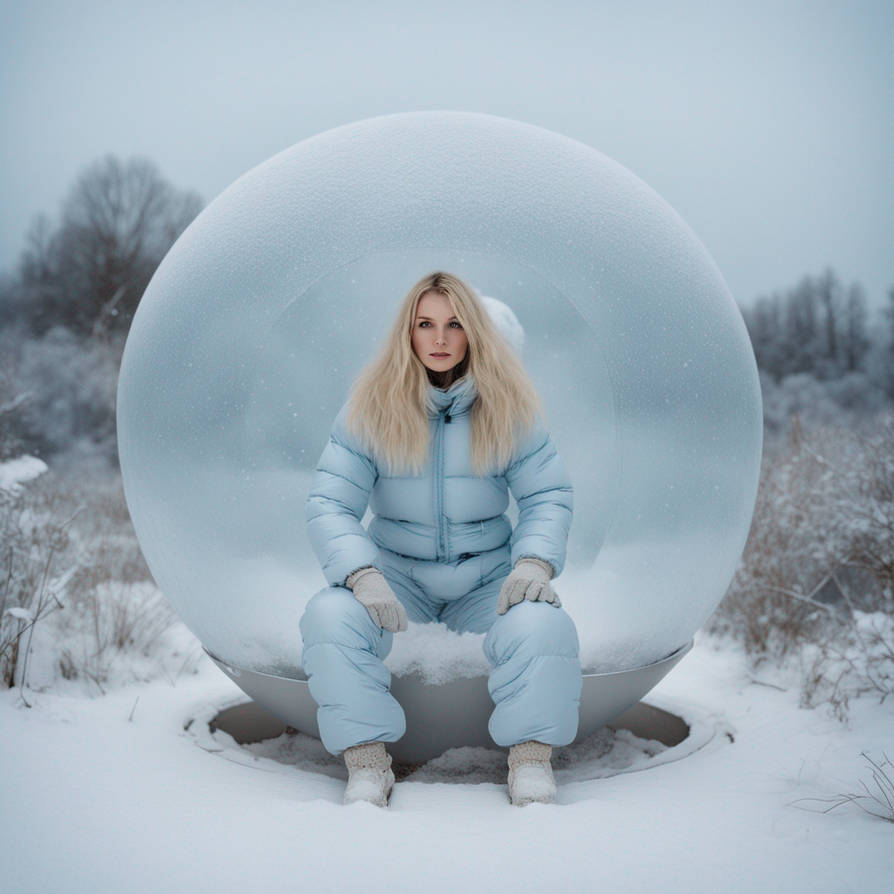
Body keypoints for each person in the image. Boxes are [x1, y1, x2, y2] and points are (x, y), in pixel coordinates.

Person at [300, 271, 581, 807]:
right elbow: (330, 503)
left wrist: (533, 565)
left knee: (546, 623)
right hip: (396, 582)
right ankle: (367, 764)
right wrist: (362, 575)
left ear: (473, 331)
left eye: (454, 324)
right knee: (327, 617)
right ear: (408, 333)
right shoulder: (369, 409)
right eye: (425, 324)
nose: (440, 338)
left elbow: (547, 496)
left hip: (487, 584)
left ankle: (530, 761)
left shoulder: (511, 408)